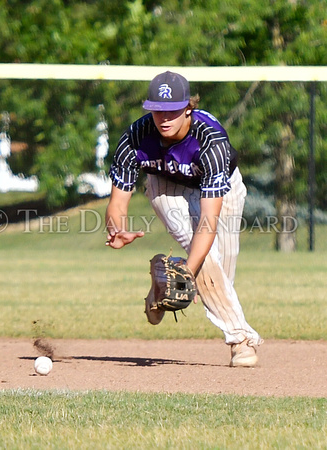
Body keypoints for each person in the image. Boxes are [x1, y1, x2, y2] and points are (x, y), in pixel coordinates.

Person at [105, 71, 263, 367]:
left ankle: (163, 284)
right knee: (203, 259)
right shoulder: (135, 137)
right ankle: (240, 341)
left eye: (173, 110)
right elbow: (117, 200)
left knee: (218, 274)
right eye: (157, 110)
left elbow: (208, 222)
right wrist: (117, 228)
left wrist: (186, 273)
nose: (164, 117)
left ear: (188, 107)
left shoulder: (210, 140)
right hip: (166, 187)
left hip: (221, 194)